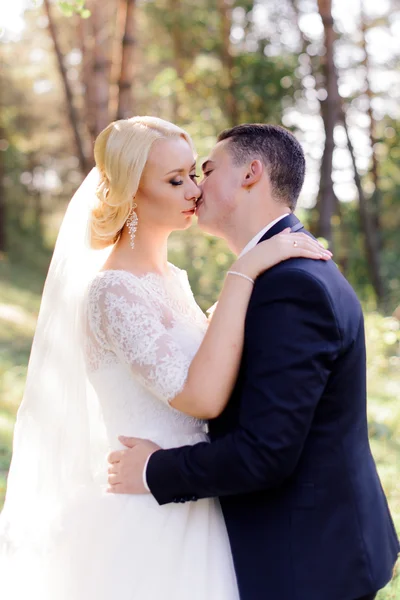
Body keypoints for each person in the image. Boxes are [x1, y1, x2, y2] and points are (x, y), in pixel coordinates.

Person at [0, 116, 328, 600]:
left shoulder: (173, 278)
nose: (194, 190)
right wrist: (247, 270)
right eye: (175, 181)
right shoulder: (112, 291)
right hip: (149, 513)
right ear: (132, 193)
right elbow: (199, 397)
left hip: (199, 497)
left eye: (194, 174)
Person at [107, 123, 400, 600]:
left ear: (251, 174)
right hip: (289, 550)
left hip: (309, 565)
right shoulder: (275, 275)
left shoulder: (291, 285)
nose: (197, 188)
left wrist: (151, 471)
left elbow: (265, 452)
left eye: (206, 170)